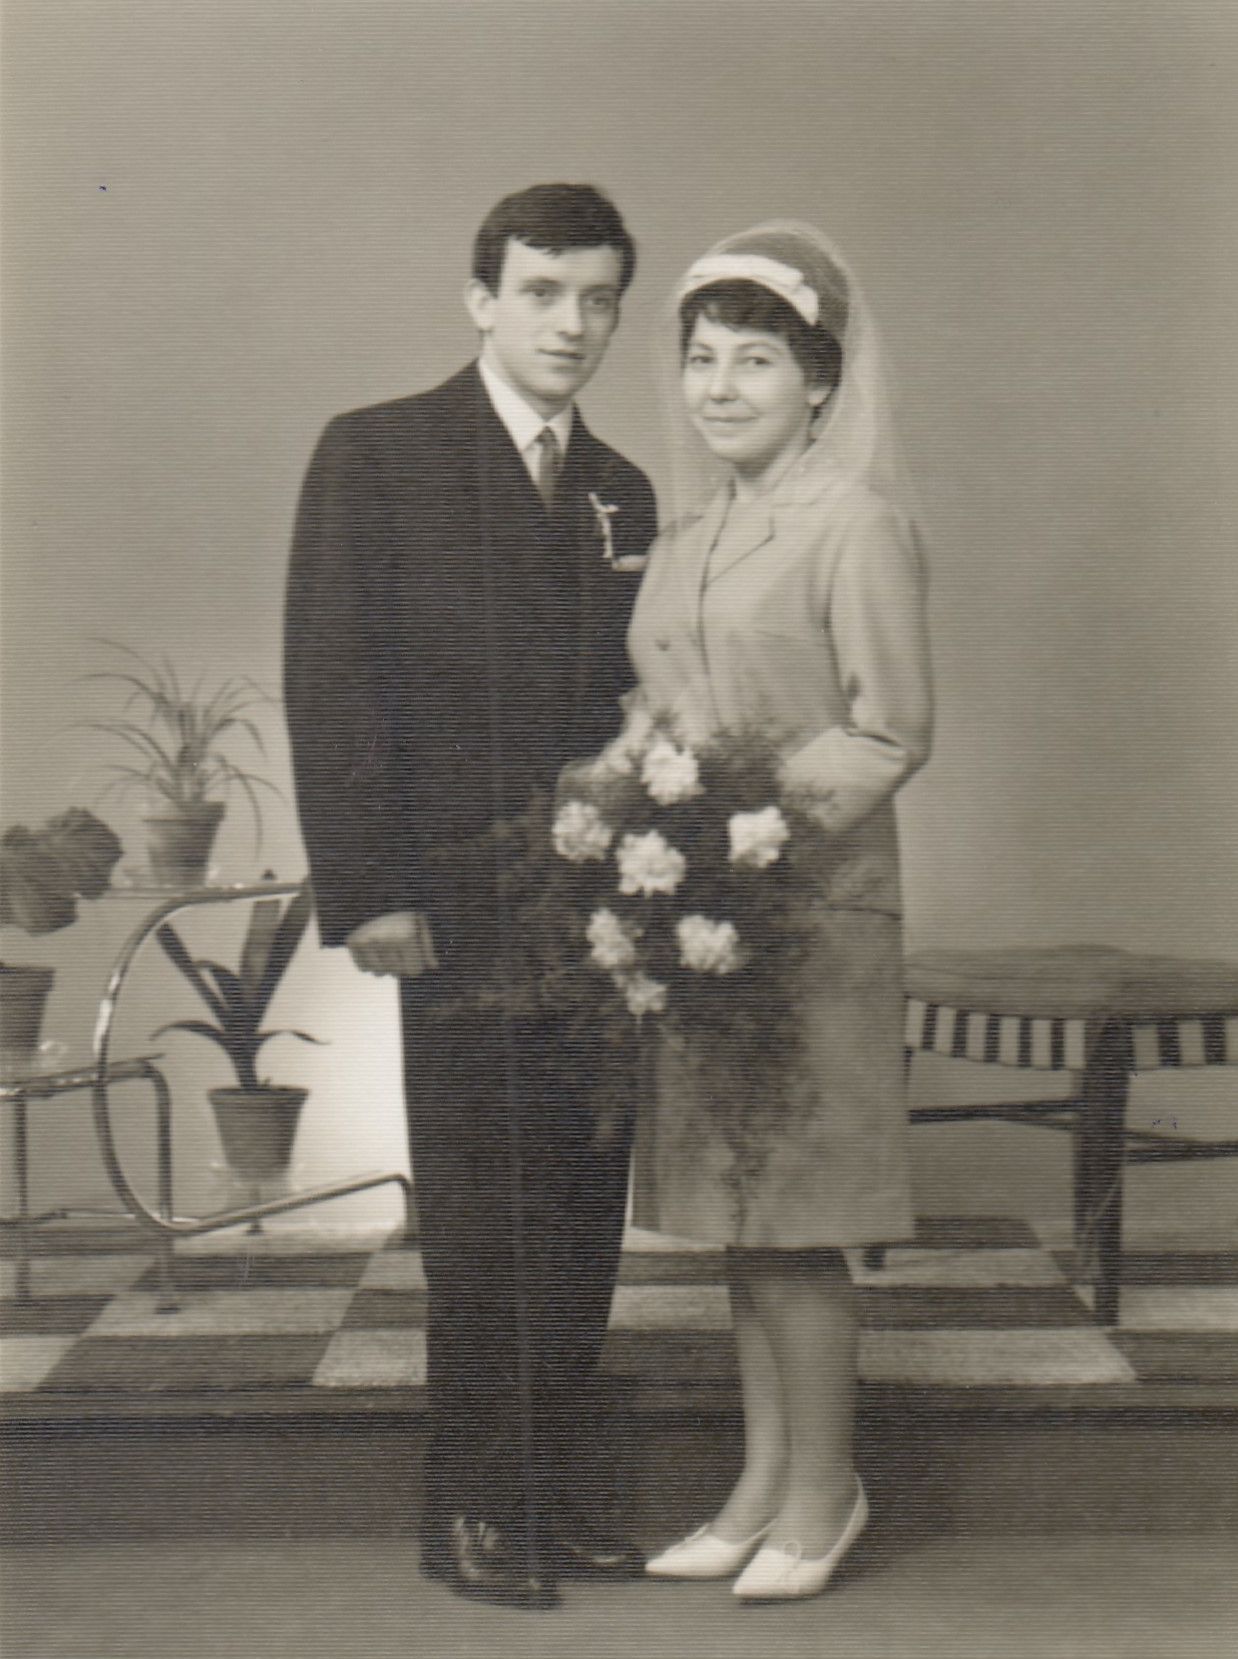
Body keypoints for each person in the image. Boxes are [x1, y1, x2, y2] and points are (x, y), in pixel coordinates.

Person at [283, 183, 657, 1611]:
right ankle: (473, 1511)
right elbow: (330, 674)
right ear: (481, 299)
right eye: (543, 292)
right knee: (484, 1211)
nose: (571, 324)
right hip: (444, 903)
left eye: (598, 298)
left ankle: (556, 1501)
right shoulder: (377, 452)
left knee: (581, 1203)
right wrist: (370, 888)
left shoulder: (621, 488)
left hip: (597, 913)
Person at [619, 221, 933, 1603]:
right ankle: (758, 1485)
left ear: (820, 380)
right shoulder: (688, 534)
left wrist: (740, 833)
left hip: (808, 913)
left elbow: (889, 729)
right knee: (741, 1220)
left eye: (755, 359)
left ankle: (827, 1490)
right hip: (701, 920)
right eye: (702, 358)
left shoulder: (854, 524)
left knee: (796, 1220)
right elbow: (664, 708)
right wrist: (629, 803)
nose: (720, 386)